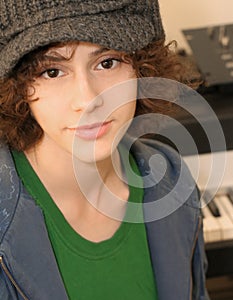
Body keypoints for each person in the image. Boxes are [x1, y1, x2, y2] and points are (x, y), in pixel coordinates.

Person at [0, 0, 209, 299]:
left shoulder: (173, 181)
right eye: (52, 72)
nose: (88, 100)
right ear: (15, 86)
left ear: (142, 68)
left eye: (107, 63)